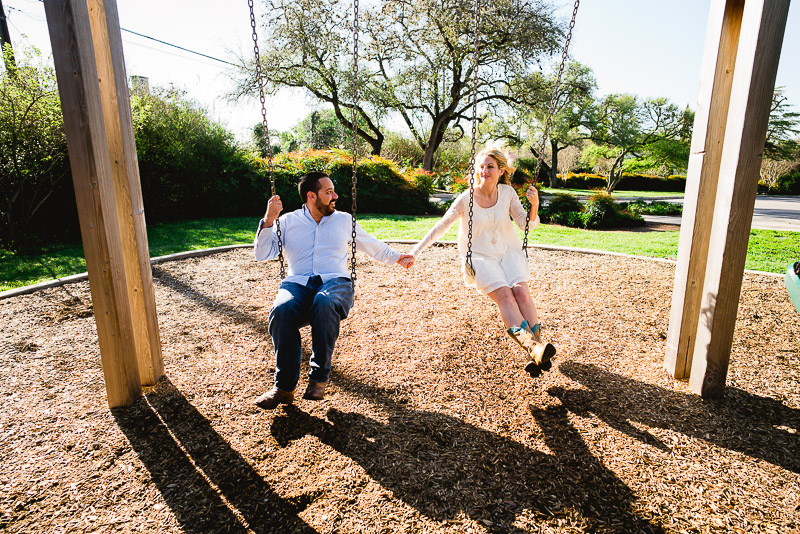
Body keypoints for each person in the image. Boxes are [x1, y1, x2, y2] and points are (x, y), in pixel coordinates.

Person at [253, 171, 414, 409]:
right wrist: (269, 219)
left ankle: (318, 378)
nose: (335, 196)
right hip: (297, 283)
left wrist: (398, 257)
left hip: (335, 282)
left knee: (324, 302)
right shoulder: (287, 222)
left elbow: (372, 245)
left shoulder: (343, 220)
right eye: (328, 192)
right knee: (281, 310)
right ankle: (284, 387)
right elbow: (261, 254)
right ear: (311, 196)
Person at [408, 148, 556, 377]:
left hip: (508, 252)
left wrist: (534, 205)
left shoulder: (507, 193)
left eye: (490, 166)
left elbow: (527, 225)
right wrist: (415, 252)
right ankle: (533, 348)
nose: (484, 171)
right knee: (506, 295)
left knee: (522, 293)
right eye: (481, 166)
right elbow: (440, 227)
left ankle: (537, 350)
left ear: (500, 171)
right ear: (475, 170)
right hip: (480, 257)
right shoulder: (466, 198)